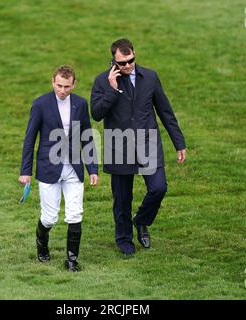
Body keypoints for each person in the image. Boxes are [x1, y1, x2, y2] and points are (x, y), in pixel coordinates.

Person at [90, 38, 186, 256]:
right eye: (122, 63)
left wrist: (178, 142)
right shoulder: (102, 82)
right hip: (119, 148)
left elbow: (165, 111)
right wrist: (112, 90)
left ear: (134, 54)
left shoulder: (150, 77)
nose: (127, 66)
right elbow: (96, 114)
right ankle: (124, 240)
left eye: (130, 60)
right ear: (113, 61)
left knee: (159, 188)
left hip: (148, 145)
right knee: (122, 199)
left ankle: (141, 220)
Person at [19, 65, 99, 271]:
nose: (62, 90)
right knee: (50, 216)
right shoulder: (40, 104)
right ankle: (41, 244)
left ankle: (72, 260)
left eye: (67, 86)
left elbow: (87, 137)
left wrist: (92, 169)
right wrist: (25, 171)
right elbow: (30, 139)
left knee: (75, 214)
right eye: (58, 85)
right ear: (52, 82)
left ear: (74, 84)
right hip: (48, 168)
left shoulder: (80, 104)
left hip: (73, 169)